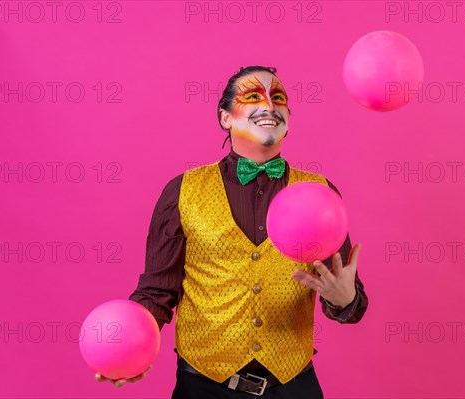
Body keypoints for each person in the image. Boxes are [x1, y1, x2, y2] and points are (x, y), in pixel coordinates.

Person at [95, 65, 369, 398]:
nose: (269, 106)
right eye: (253, 96)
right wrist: (129, 346)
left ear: (288, 118)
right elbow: (156, 292)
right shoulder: (182, 191)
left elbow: (344, 293)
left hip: (295, 387)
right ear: (225, 117)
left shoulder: (321, 194)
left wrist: (345, 300)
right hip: (203, 387)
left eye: (279, 99)